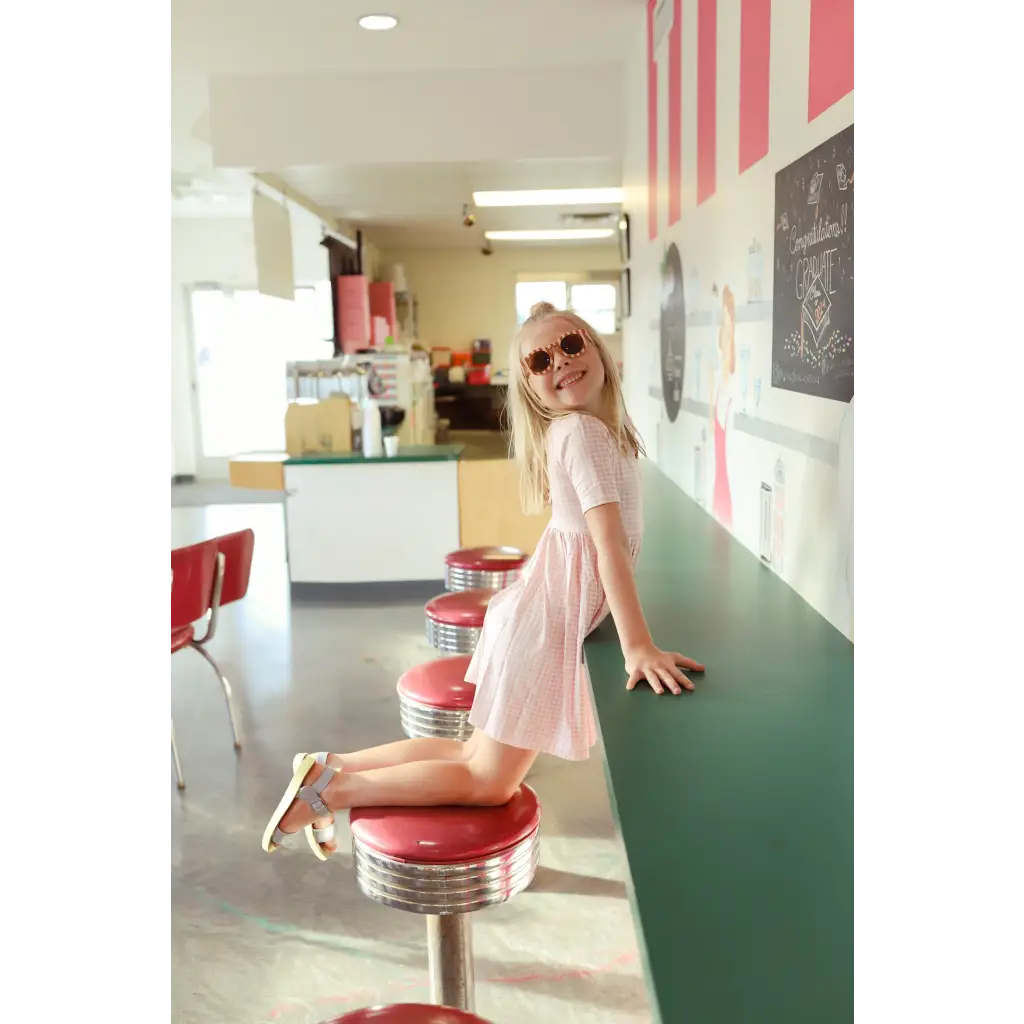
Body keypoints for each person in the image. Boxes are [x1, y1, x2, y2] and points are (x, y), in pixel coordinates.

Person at [262, 301, 706, 860]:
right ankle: (331, 791)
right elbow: (607, 543)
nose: (559, 364)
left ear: (597, 348)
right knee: (489, 782)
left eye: (569, 345)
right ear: (530, 388)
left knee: (472, 757)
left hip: (539, 616)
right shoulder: (583, 434)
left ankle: (331, 766)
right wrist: (637, 646)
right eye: (538, 361)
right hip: (546, 627)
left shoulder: (593, 430)